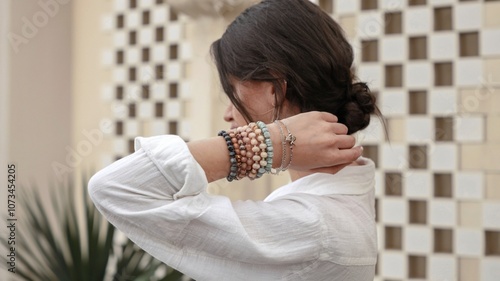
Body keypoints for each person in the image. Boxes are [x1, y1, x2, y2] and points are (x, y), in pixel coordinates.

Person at [89, 0, 380, 280]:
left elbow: (114, 188)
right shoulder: (331, 206)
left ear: (275, 91)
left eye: (233, 93)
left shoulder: (312, 227)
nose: (229, 115)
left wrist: (267, 143)